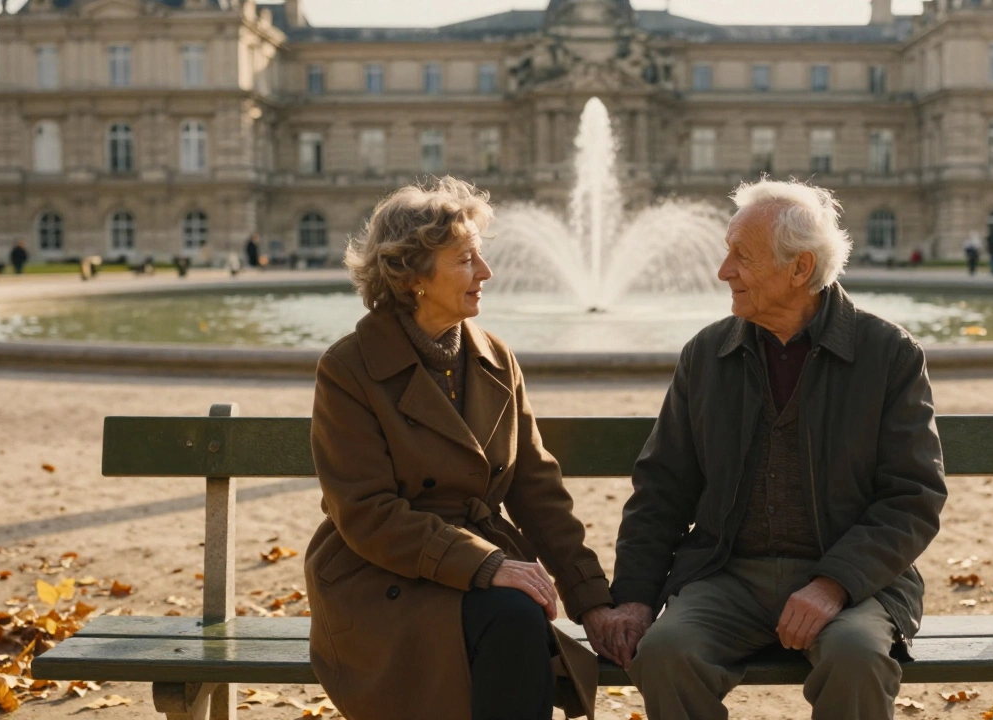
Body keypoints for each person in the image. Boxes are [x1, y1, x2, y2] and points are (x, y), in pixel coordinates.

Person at [585, 179, 947, 720]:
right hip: (727, 574)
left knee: (856, 656)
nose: (723, 271)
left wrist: (832, 585)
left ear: (800, 268)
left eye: (741, 257)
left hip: (852, 581)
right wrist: (636, 597)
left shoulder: (888, 353)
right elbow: (662, 488)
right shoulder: (707, 354)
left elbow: (913, 497)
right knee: (664, 654)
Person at [303, 177, 613, 720]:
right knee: (514, 616)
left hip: (477, 571)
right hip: (379, 578)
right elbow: (366, 514)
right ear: (413, 274)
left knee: (517, 615)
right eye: (466, 260)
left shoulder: (496, 356)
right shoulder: (349, 367)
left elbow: (536, 491)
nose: (486, 274)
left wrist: (593, 600)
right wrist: (486, 562)